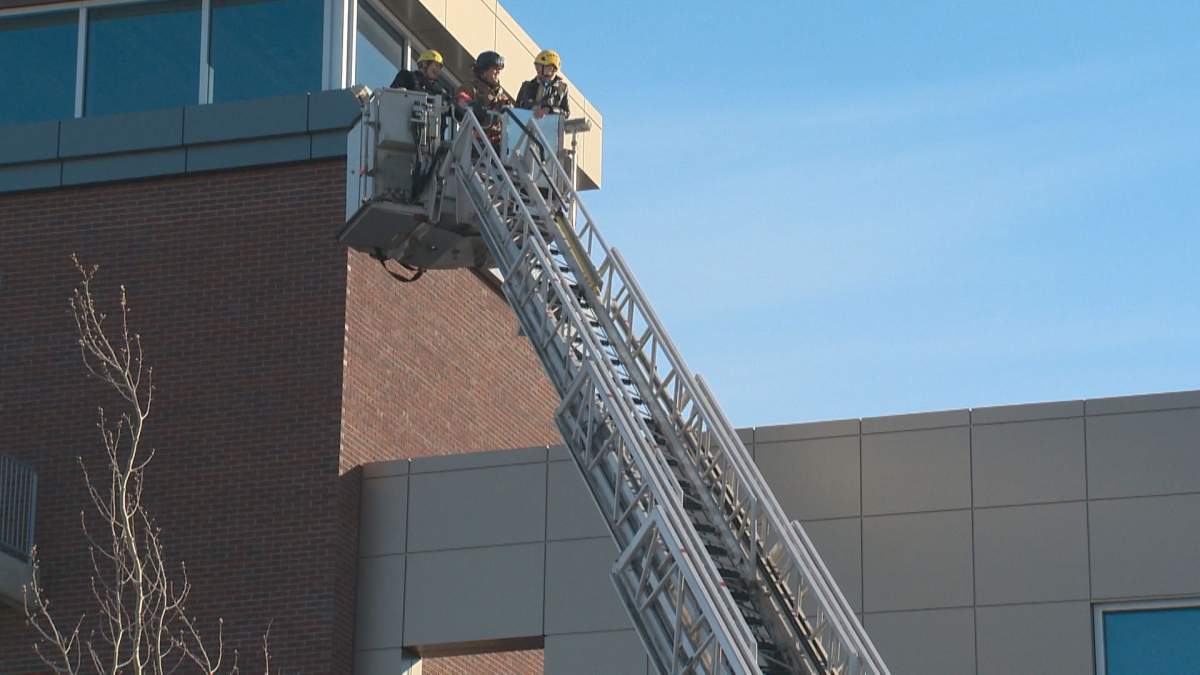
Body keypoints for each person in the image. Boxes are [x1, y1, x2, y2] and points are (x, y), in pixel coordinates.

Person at [454, 51, 514, 147]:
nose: (498, 72)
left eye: (499, 69)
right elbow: (462, 106)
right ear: (483, 72)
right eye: (495, 68)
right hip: (475, 144)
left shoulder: (500, 95)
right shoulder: (469, 88)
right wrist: (484, 109)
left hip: (499, 145)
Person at [516, 50, 570, 119]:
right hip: (526, 126)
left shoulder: (562, 88)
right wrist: (533, 107)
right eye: (536, 65)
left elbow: (566, 113)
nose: (537, 69)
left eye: (541, 66)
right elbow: (517, 107)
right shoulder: (527, 85)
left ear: (552, 68)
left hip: (550, 128)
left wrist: (550, 110)